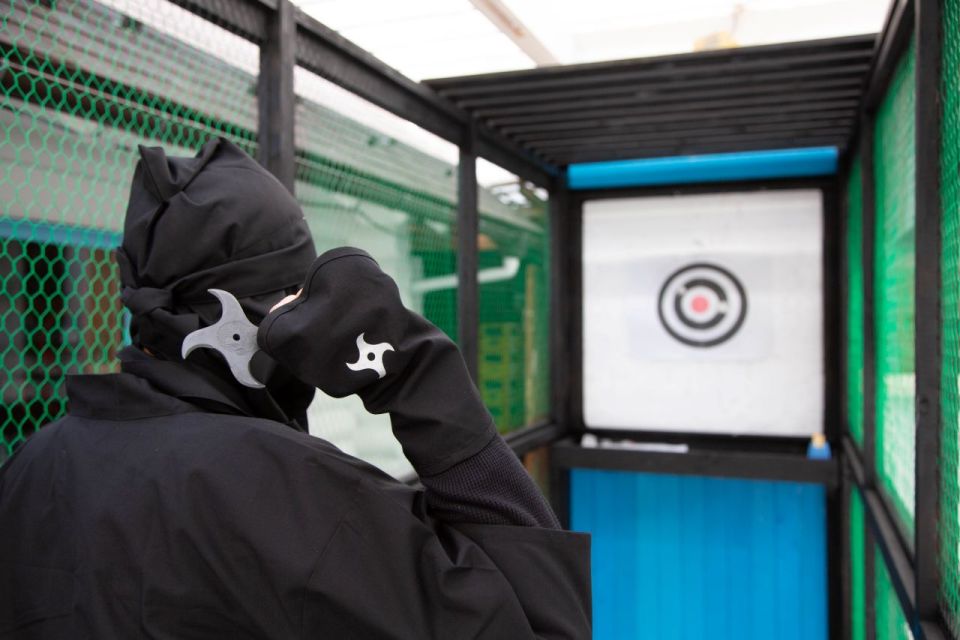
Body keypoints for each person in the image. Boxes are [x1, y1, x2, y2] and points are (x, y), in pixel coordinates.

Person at [0, 138, 591, 639]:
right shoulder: (287, 486)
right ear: (249, 316)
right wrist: (416, 374)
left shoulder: (34, 459)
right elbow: (542, 622)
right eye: (297, 296)